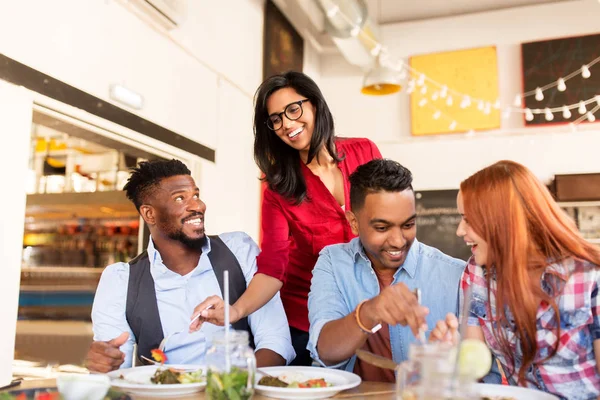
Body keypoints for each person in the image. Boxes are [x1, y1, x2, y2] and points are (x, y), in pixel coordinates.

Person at [190, 71, 382, 365]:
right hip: (309, 320)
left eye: (293, 109)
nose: (287, 125)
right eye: (276, 119)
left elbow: (392, 218)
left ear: (315, 104)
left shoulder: (364, 151)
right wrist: (235, 311)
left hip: (371, 309)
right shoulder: (279, 187)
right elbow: (273, 266)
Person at [85, 159, 295, 373]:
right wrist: (104, 364)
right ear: (149, 214)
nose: (198, 206)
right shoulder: (120, 281)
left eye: (196, 195)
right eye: (180, 198)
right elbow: (116, 369)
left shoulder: (239, 251)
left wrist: (230, 389)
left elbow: (275, 342)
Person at [430, 160, 600, 400]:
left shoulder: (590, 275)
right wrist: (449, 356)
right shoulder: (476, 275)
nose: (460, 230)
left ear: (502, 221)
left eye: (468, 219)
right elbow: (474, 371)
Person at [306, 159, 465, 382]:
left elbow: (484, 378)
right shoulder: (333, 262)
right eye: (382, 228)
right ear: (353, 223)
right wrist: (370, 312)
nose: (399, 241)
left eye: (408, 225)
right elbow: (325, 353)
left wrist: (452, 364)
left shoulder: (456, 276)